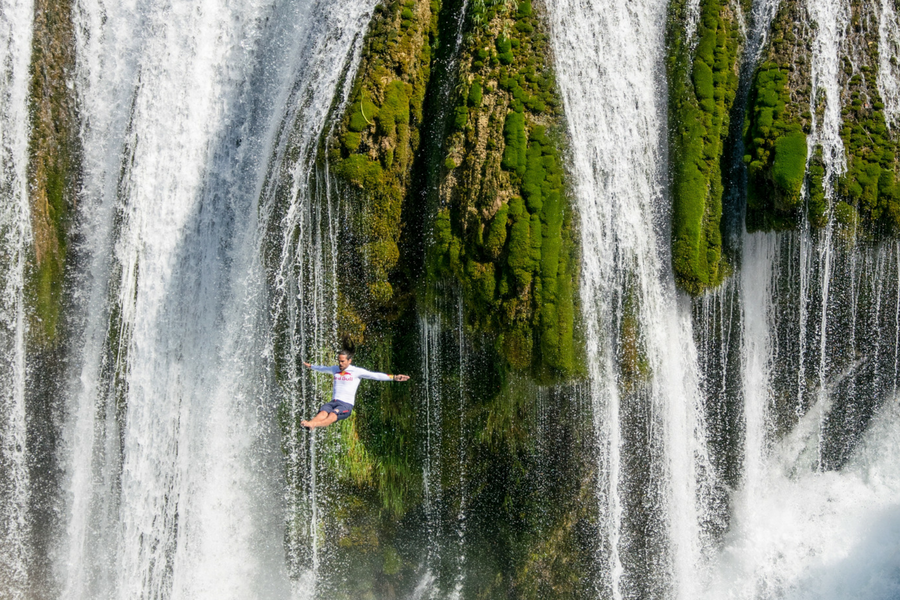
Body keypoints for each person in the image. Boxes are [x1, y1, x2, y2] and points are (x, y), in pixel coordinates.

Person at [300, 350, 410, 430]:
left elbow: (374, 375)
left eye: (343, 361)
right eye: (339, 361)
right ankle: (310, 423)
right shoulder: (335, 369)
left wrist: (394, 377)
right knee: (323, 411)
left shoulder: (357, 371)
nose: (340, 364)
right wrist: (311, 366)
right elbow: (323, 368)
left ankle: (314, 425)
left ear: (349, 361)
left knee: (332, 415)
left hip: (345, 405)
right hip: (333, 402)